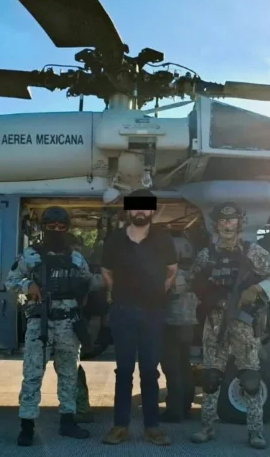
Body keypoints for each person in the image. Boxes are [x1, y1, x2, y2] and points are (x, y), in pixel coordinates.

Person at [188, 202, 270, 450]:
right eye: (222, 221)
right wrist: (205, 296)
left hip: (244, 321)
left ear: (240, 223)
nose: (227, 225)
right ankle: (207, 428)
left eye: (231, 221)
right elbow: (193, 281)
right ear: (216, 225)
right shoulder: (207, 255)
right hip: (215, 322)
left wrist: (256, 290)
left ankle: (256, 432)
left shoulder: (254, 252)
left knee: (250, 378)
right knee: (211, 377)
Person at [6, 206, 103, 447]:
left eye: (61, 227)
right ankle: (27, 426)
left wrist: (113, 278)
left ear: (67, 228)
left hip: (69, 323)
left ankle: (67, 421)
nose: (57, 230)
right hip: (40, 323)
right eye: (51, 226)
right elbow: (11, 280)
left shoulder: (76, 257)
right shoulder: (31, 255)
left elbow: (91, 283)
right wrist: (28, 285)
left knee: (69, 375)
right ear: (44, 228)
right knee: (32, 375)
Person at [99, 188, 178, 446]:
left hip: (153, 313)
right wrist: (119, 294)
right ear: (129, 210)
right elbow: (106, 271)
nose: (140, 211)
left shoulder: (163, 239)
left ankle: (152, 427)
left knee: (149, 371)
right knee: (123, 371)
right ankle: (119, 426)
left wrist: (156, 294)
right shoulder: (115, 240)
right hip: (123, 313)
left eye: (145, 206)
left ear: (152, 210)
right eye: (136, 206)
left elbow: (172, 270)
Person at [160, 236, 199, 422]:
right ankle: (186, 406)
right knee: (184, 366)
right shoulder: (194, 273)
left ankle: (175, 411)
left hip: (171, 325)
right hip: (189, 325)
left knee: (172, 369)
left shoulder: (171, 275)